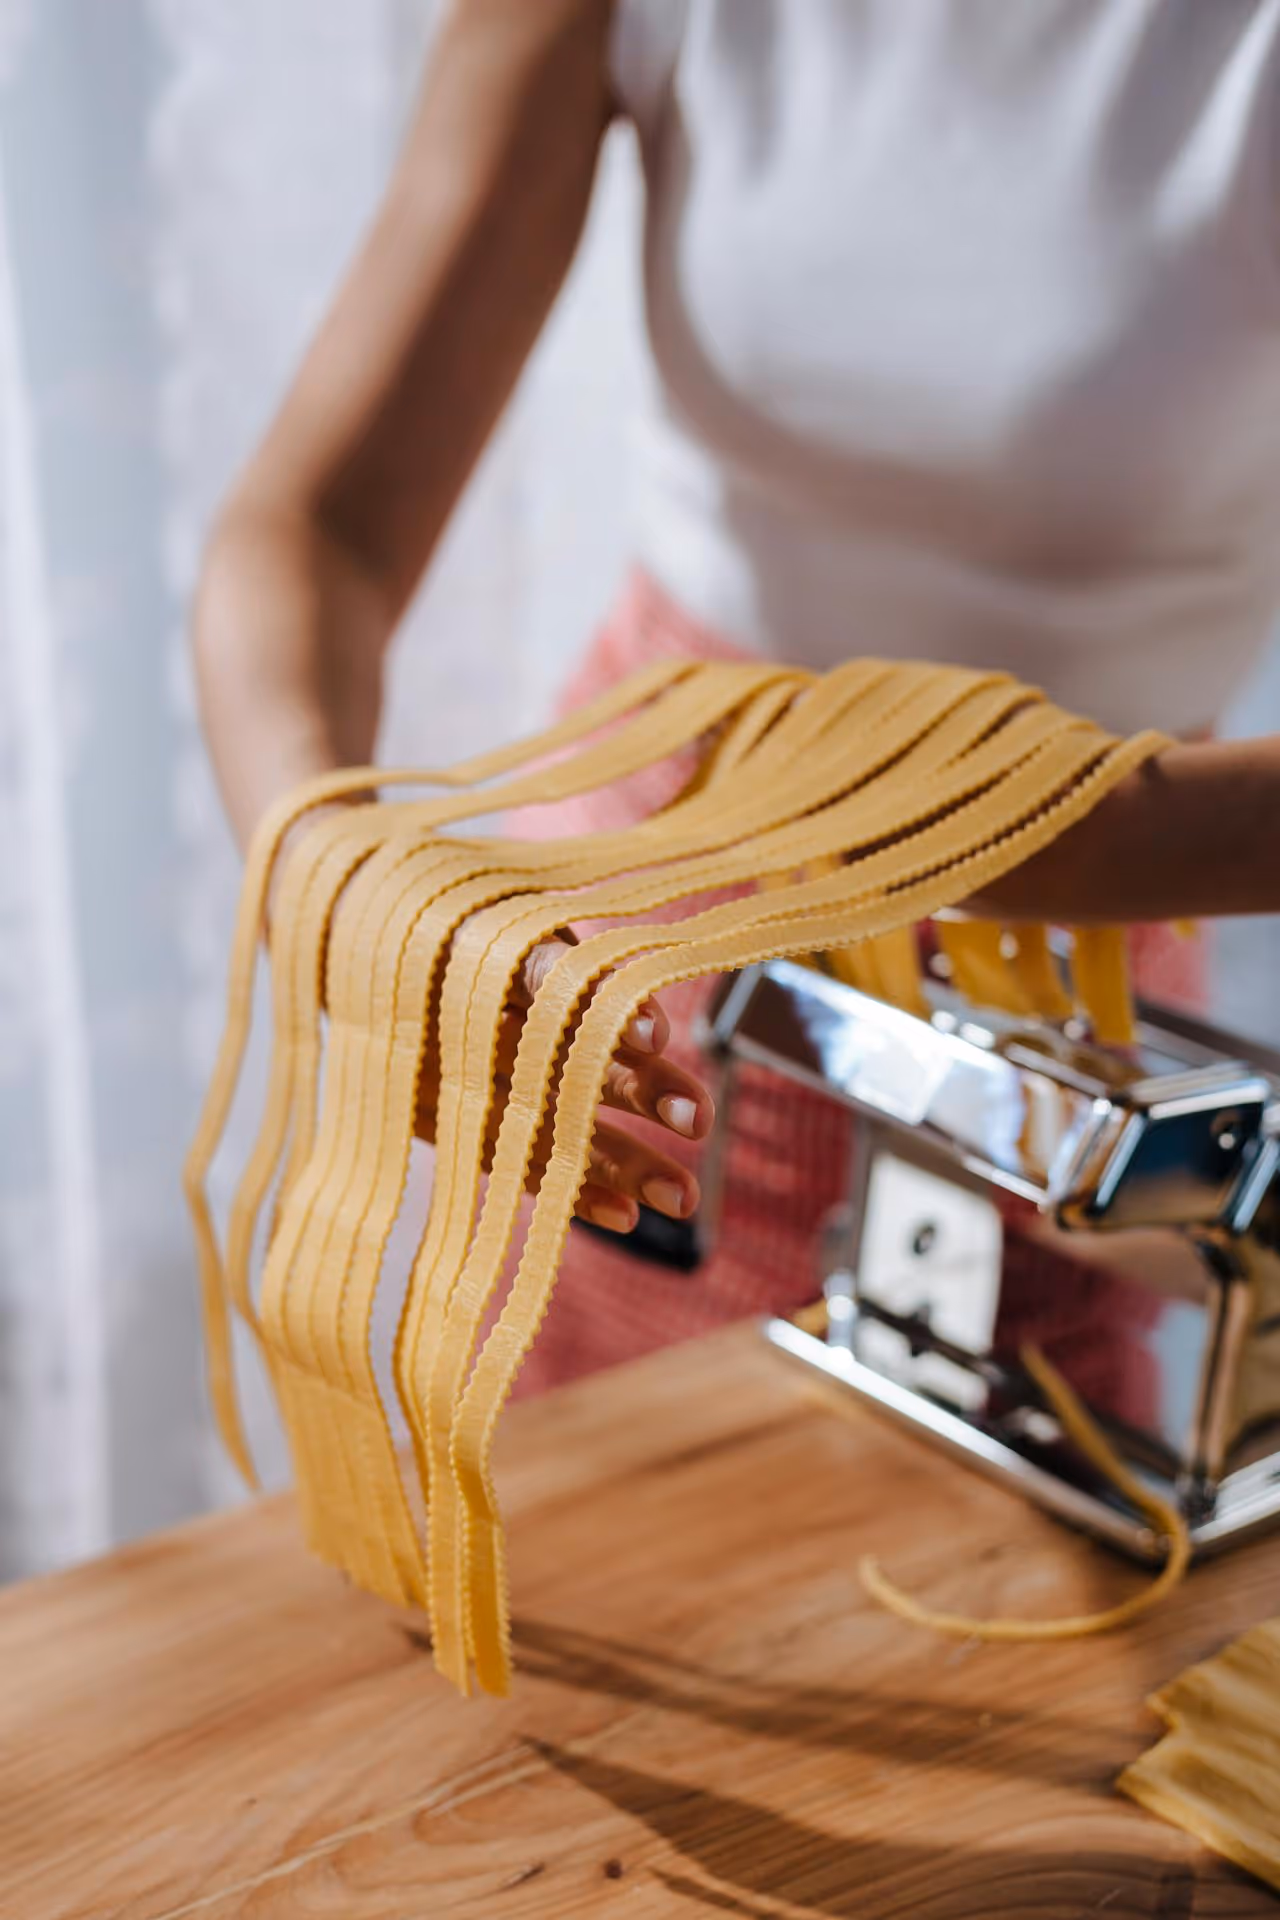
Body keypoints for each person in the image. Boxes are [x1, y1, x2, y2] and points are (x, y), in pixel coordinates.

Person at [194, 0, 1280, 1391]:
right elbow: (316, 529)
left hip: (1054, 1024)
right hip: (616, 979)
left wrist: (1080, 840)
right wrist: (339, 884)